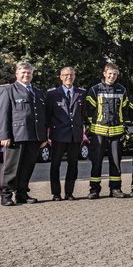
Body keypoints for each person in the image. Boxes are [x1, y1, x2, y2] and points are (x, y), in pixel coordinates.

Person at [0, 61, 48, 206]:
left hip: (34, 136)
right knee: (11, 168)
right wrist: (4, 135)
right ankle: (6, 195)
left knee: (27, 167)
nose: (26, 75)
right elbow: (1, 114)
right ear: (17, 74)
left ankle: (22, 193)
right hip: (16, 135)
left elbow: (42, 115)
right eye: (23, 72)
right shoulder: (7, 90)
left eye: (29, 72)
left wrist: (43, 137)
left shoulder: (37, 92)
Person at [85, 62, 130, 198]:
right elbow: (88, 111)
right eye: (110, 73)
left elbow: (125, 109)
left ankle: (115, 189)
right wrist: (93, 126)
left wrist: (123, 126)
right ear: (104, 74)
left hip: (116, 133)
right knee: (96, 161)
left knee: (116, 162)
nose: (112, 76)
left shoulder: (121, 90)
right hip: (99, 132)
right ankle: (94, 190)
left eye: (115, 74)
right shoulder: (94, 90)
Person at [45, 66, 85, 201]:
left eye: (72, 75)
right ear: (60, 77)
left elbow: (83, 114)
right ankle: (56, 193)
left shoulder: (81, 93)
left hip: (75, 135)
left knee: (73, 164)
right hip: (58, 135)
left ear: (75, 76)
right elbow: (47, 116)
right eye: (66, 75)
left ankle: (69, 192)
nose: (69, 77)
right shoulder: (52, 94)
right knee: (55, 164)